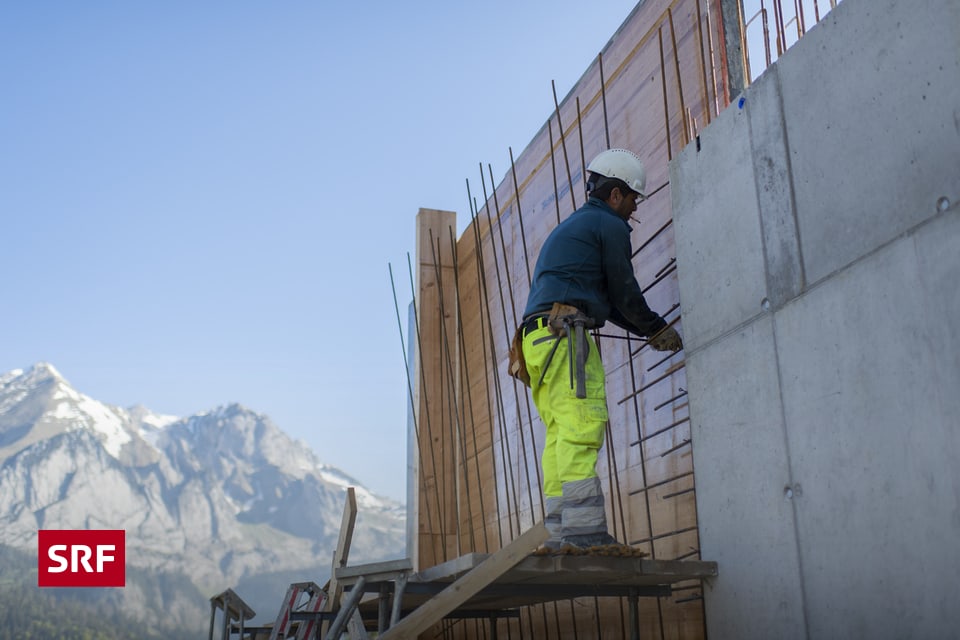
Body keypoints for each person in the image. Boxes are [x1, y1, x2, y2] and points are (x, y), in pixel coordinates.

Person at [517, 148, 683, 550]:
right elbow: (625, 293)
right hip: (565, 336)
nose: (632, 211)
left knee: (559, 436)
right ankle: (586, 534)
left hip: (536, 341)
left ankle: (561, 535)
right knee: (581, 426)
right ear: (614, 195)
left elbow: (608, 305)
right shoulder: (608, 226)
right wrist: (657, 327)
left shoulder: (576, 228)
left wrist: (647, 330)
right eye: (632, 201)